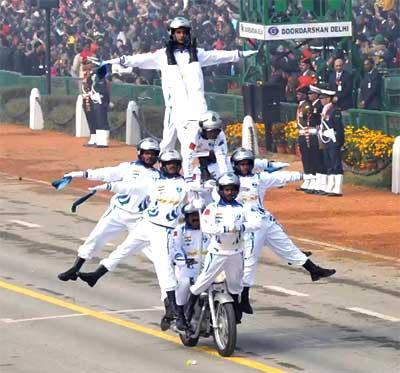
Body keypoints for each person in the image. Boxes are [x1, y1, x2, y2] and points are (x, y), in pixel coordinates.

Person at [98, 17, 257, 152]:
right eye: (178, 32)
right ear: (172, 34)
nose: (181, 35)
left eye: (184, 32)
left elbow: (217, 56)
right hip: (174, 107)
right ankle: (163, 171)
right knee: (168, 142)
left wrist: (240, 54)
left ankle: (205, 169)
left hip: (196, 105)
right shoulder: (161, 55)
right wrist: (114, 61)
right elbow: (138, 60)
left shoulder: (197, 53)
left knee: (202, 139)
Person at [78, 150, 190, 331]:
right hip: (146, 224)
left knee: (164, 270)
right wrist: (104, 187)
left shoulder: (185, 185)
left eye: (176, 164)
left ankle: (178, 315)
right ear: (162, 165)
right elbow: (129, 188)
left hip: (164, 230)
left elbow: (202, 192)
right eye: (168, 163)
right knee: (122, 250)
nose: (172, 166)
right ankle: (95, 275)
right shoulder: (153, 182)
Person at [230, 148, 337, 314]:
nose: (244, 167)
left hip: (265, 220)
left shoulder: (259, 178)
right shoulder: (230, 182)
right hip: (249, 226)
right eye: (241, 164)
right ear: (235, 165)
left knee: (288, 246)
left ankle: (313, 270)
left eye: (247, 164)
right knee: (250, 261)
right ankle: (243, 298)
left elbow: (281, 177)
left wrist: (304, 175)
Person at [57, 138, 161, 282]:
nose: (149, 156)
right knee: (96, 237)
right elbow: (106, 173)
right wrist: (79, 174)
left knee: (152, 249)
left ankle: (172, 275)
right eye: (146, 153)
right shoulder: (128, 167)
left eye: (153, 154)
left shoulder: (160, 177)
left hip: (139, 217)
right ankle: (75, 268)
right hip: (117, 212)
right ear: (139, 153)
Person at [184, 173, 263, 327]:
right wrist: (223, 229)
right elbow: (206, 226)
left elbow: (257, 222)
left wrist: (242, 227)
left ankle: (235, 311)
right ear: (220, 190)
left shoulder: (243, 207)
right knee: (203, 281)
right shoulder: (212, 208)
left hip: (236, 252)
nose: (230, 193)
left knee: (235, 284)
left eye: (233, 190)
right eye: (226, 190)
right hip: (217, 252)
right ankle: (189, 308)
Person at [161, 202, 208, 331]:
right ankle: (180, 315)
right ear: (186, 217)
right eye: (192, 215)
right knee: (185, 283)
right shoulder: (179, 231)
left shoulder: (209, 229)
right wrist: (183, 261)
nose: (196, 218)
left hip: (207, 266)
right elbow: (175, 249)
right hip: (187, 267)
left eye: (198, 215)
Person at [183, 110, 231, 183]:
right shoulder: (192, 134)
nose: (214, 134)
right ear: (203, 129)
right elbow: (188, 156)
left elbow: (221, 156)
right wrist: (188, 178)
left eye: (216, 131)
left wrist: (224, 177)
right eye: (211, 131)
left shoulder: (220, 135)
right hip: (189, 135)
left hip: (208, 152)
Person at [318, 89, 345, 197]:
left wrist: (339, 141)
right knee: (328, 163)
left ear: (328, 99)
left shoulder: (334, 110)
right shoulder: (325, 110)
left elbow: (338, 127)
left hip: (333, 140)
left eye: (323, 98)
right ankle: (330, 186)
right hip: (326, 139)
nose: (321, 100)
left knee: (336, 163)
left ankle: (337, 188)